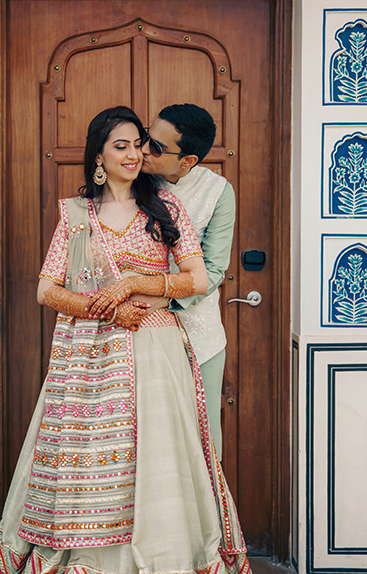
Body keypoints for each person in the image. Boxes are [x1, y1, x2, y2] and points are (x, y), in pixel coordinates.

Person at [0, 106, 263, 574]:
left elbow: (197, 278)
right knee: (91, 468)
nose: (134, 155)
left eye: (139, 145)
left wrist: (135, 283)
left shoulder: (166, 207)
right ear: (100, 156)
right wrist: (103, 308)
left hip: (156, 353)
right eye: (121, 146)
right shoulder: (77, 214)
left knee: (157, 469)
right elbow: (46, 289)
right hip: (89, 360)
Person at [141, 104, 235, 460]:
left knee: (201, 441)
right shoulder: (132, 180)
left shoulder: (218, 192)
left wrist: (165, 299)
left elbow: (213, 269)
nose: (143, 150)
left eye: (157, 148)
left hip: (198, 333)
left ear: (188, 161)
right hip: (137, 327)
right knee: (147, 439)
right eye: (147, 138)